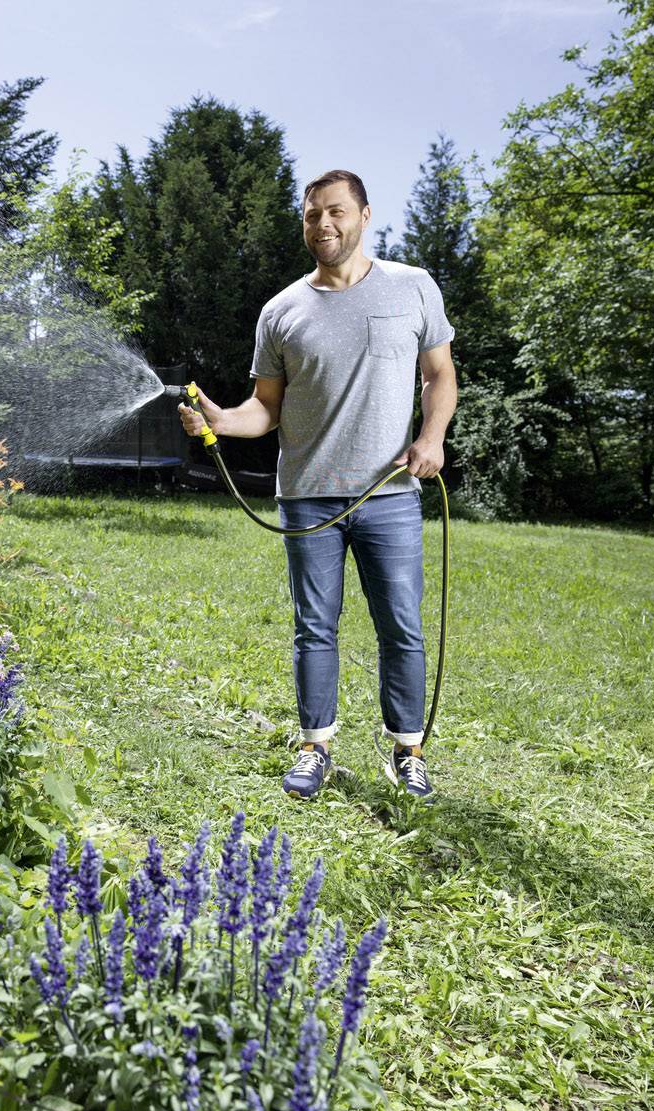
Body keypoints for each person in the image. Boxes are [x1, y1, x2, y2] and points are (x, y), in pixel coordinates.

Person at [177, 169, 457, 799]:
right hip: (307, 495)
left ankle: (407, 752)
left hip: (389, 494)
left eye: (335, 212)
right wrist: (221, 420)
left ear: (362, 215)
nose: (322, 225)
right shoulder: (281, 311)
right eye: (311, 215)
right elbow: (265, 409)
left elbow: (440, 377)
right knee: (315, 627)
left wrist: (432, 438)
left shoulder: (412, 288)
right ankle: (315, 746)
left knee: (402, 625)